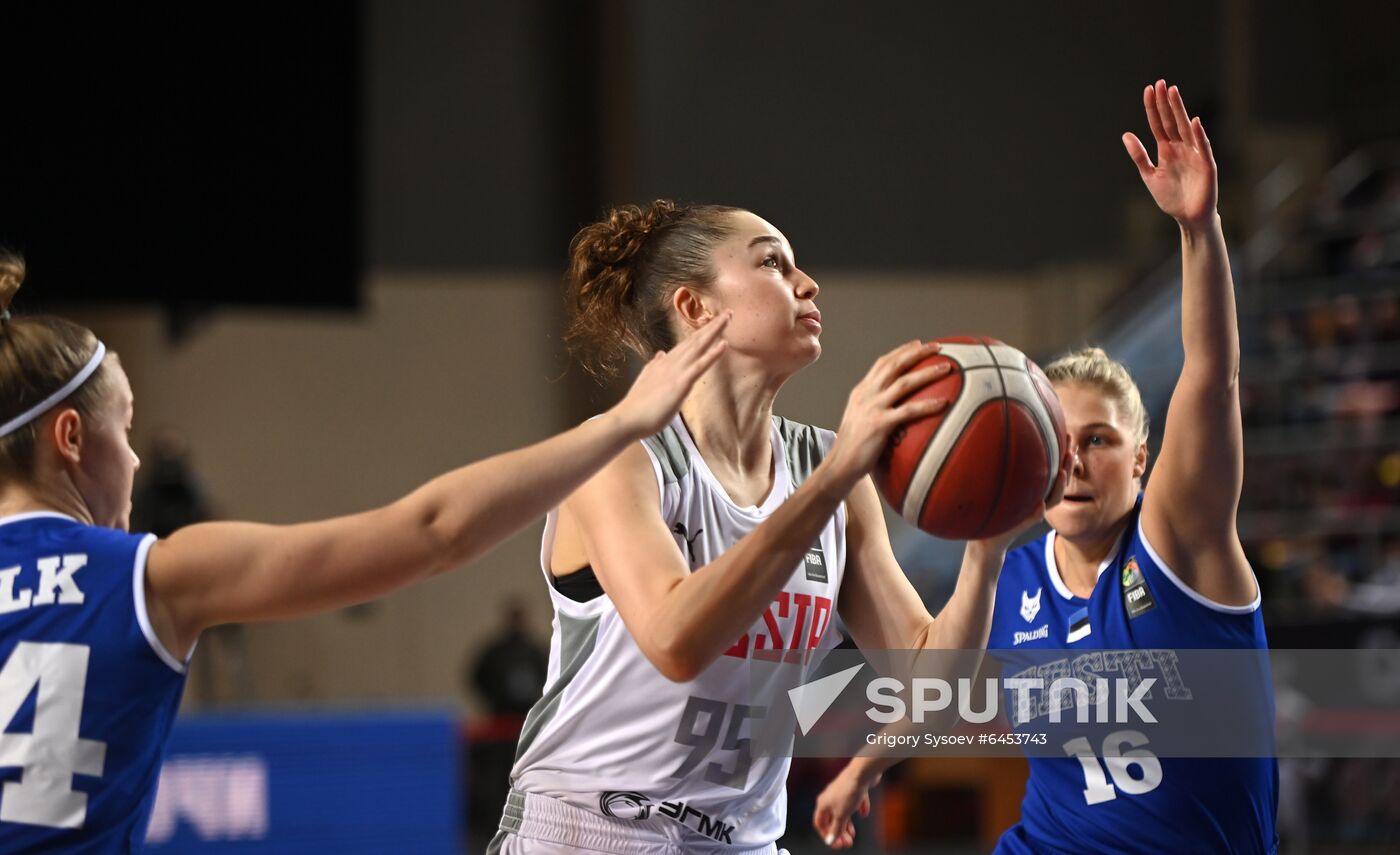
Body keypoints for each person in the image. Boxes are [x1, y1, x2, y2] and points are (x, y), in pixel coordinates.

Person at [0, 250, 729, 853]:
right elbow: (433, 530)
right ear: (69, 437)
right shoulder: (152, 574)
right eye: (124, 430)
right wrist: (624, 421)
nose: (132, 459)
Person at [487, 200, 1069, 854]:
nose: (807, 283)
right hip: (593, 833)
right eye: (772, 261)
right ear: (696, 308)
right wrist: (834, 479)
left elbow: (930, 688)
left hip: (744, 842)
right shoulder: (620, 459)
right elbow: (676, 641)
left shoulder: (826, 471)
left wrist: (988, 542)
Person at [814, 80, 1278, 853]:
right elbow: (933, 694)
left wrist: (1200, 231)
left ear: (1142, 458)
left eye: (1099, 440)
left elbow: (1210, 374)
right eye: (1058, 439)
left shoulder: (1180, 543)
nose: (1075, 459)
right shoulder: (1013, 575)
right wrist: (865, 765)